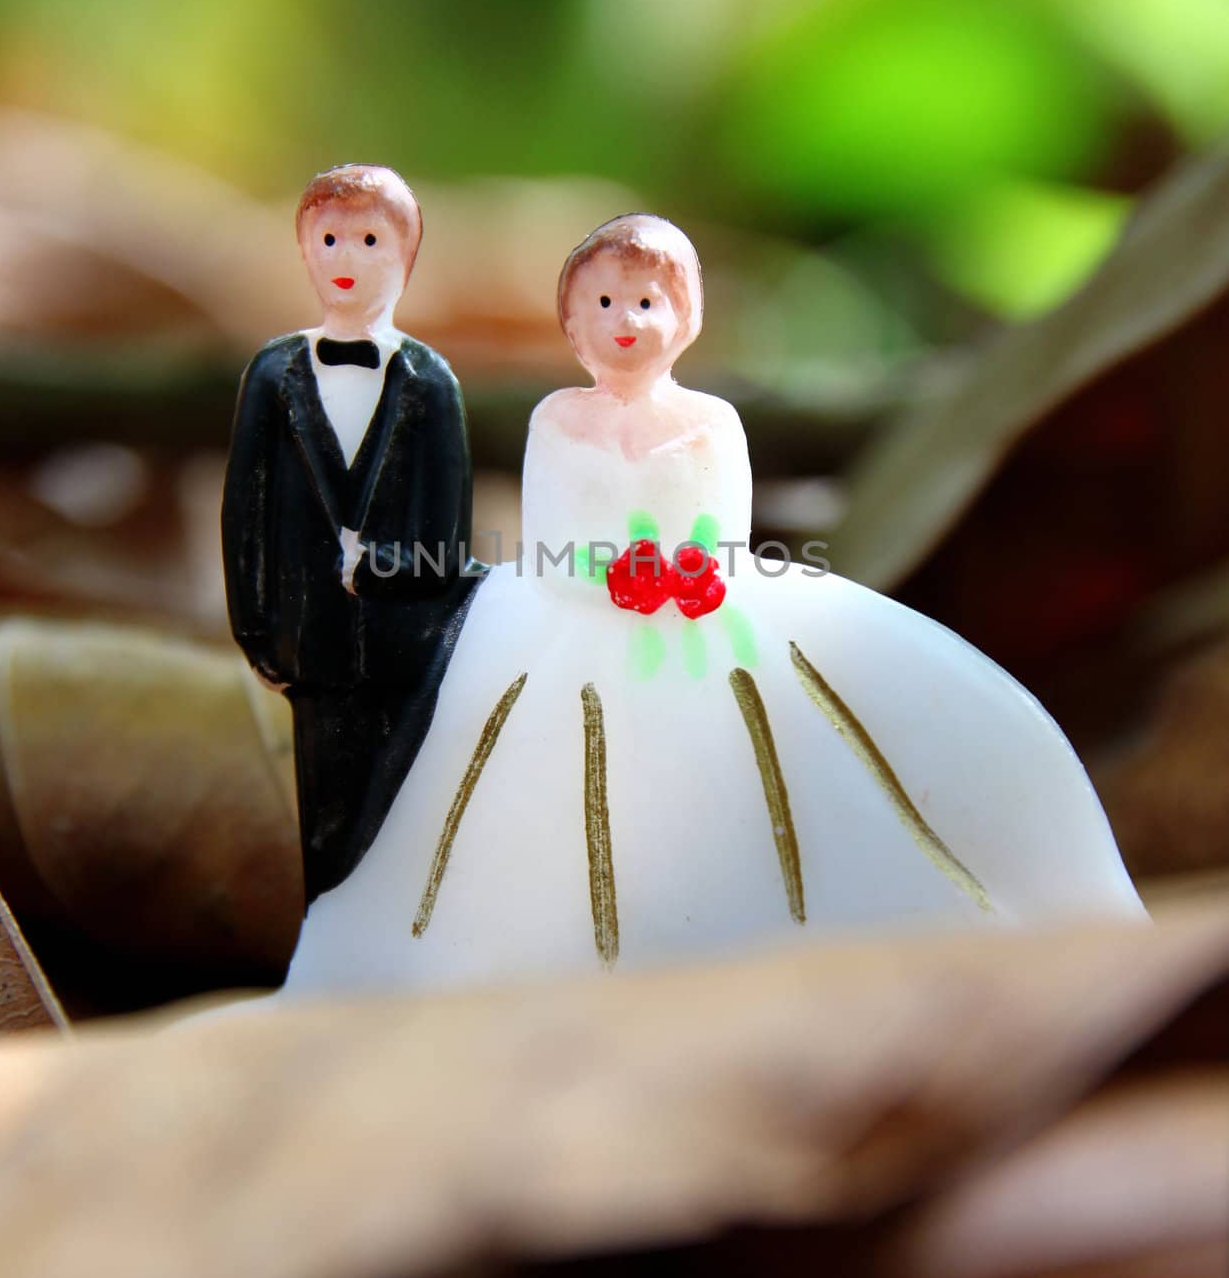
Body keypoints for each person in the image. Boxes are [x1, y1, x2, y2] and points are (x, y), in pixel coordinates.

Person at [280, 213, 1143, 995]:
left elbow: (718, 537)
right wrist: (609, 577)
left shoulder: (711, 422)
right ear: (572, 324)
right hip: (562, 623)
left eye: (647, 300)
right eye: (606, 301)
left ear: (684, 317)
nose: (626, 320)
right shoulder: (556, 421)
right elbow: (550, 539)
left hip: (701, 617)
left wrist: (679, 577)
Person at [222, 165, 481, 904]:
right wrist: (257, 634)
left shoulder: (430, 383)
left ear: (407, 256)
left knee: (402, 819)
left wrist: (382, 573)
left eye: (369, 240)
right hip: (313, 647)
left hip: (407, 649)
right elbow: (245, 514)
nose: (346, 259)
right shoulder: (273, 374)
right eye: (329, 239)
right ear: (304, 250)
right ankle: (327, 961)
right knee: (325, 824)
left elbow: (447, 545)